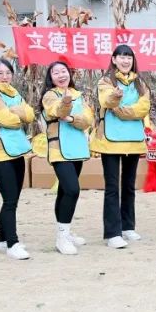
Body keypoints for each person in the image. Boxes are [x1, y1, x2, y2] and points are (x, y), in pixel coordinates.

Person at [93, 44, 151, 249]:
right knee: (112, 187)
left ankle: (128, 226)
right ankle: (112, 233)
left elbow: (144, 107)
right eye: (122, 57)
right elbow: (107, 101)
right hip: (110, 142)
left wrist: (122, 110)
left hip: (133, 141)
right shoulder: (106, 81)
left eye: (129, 57)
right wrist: (115, 97)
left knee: (128, 185)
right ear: (114, 59)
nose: (126, 61)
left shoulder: (140, 82)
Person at [0, 59, 36, 261]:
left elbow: (30, 115)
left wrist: (15, 112)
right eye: (0, 73)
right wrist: (16, 113)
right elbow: (9, 120)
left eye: (8, 73)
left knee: (13, 198)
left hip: (17, 150)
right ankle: (12, 243)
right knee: (10, 199)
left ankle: (2, 239)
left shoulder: (13, 93)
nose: (5, 77)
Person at [42, 60, 93, 255]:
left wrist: (71, 118)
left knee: (64, 192)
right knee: (72, 190)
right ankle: (62, 238)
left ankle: (65, 231)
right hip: (59, 149)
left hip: (77, 148)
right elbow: (56, 112)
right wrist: (65, 104)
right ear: (51, 77)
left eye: (63, 71)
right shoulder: (49, 96)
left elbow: (87, 120)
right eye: (56, 73)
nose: (61, 75)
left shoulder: (78, 95)